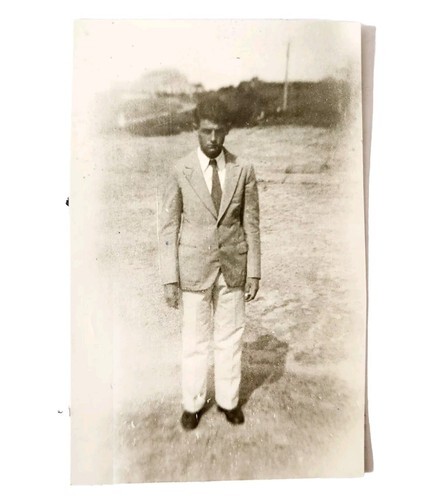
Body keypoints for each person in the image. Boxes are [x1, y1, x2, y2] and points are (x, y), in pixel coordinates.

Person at [159, 96, 261, 430]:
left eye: (219, 131)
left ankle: (229, 401)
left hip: (233, 268)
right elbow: (168, 227)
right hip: (193, 269)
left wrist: (254, 271)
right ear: (196, 129)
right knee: (195, 341)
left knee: (230, 337)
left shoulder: (243, 169)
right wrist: (170, 278)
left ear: (227, 130)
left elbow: (251, 224)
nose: (213, 138)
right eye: (206, 131)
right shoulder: (179, 170)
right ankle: (192, 403)